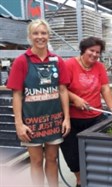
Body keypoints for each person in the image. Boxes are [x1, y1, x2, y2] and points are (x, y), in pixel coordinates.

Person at [6, 19, 71, 187]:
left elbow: (63, 90)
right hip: (32, 122)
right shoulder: (22, 61)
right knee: (36, 161)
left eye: (43, 33)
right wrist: (19, 124)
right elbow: (17, 94)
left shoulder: (57, 60)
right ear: (29, 36)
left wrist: (66, 118)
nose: (40, 37)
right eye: (36, 33)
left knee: (52, 159)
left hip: (54, 120)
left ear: (48, 36)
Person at [60, 36, 112, 187]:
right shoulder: (69, 65)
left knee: (96, 153)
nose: (94, 54)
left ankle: (95, 179)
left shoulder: (99, 67)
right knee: (72, 155)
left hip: (94, 118)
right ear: (83, 50)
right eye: (91, 50)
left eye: (98, 52)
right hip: (72, 118)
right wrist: (75, 99)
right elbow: (62, 89)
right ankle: (80, 181)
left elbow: (105, 88)